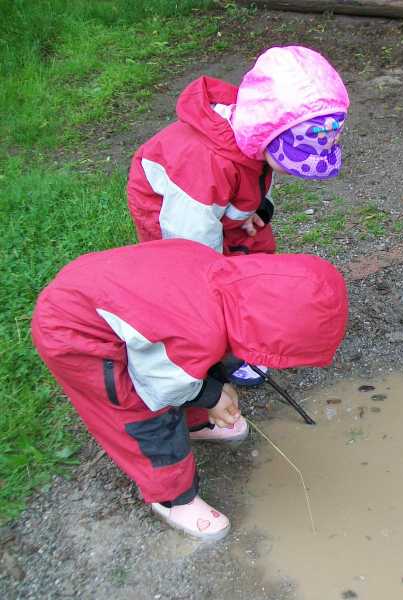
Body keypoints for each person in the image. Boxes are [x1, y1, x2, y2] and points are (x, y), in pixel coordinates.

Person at [31, 239, 348, 542]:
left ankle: (196, 424)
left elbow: (188, 351)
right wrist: (210, 395)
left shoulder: (222, 280)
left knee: (200, 363)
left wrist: (213, 387)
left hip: (113, 302)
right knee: (141, 413)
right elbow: (161, 382)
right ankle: (172, 498)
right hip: (77, 334)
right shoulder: (199, 332)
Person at [126, 45, 349, 386]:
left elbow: (259, 175)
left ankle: (248, 327)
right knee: (194, 289)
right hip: (178, 215)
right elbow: (192, 246)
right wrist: (218, 285)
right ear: (264, 132)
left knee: (255, 252)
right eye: (290, 156)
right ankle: (217, 348)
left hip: (223, 205)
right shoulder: (202, 165)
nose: (293, 169)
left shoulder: (254, 135)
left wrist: (257, 207)